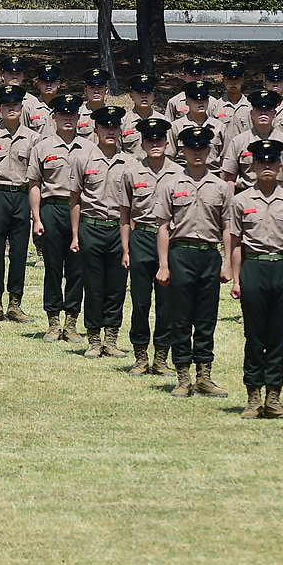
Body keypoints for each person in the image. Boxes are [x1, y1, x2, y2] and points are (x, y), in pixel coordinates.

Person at [154, 125, 233, 396]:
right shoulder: (170, 184)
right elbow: (163, 226)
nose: (197, 152)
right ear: (183, 151)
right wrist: (163, 265)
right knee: (181, 316)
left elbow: (227, 227)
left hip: (209, 255)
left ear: (210, 150)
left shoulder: (221, 187)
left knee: (206, 317)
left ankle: (204, 375)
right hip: (180, 254)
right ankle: (182, 376)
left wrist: (229, 263)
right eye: (191, 147)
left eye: (202, 148)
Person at [229, 138, 283, 418]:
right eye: (262, 162)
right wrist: (236, 279)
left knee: (278, 336)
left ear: (280, 165)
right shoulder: (241, 200)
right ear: (253, 166)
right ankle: (253, 395)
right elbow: (236, 243)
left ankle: (274, 396)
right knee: (254, 334)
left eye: (272, 162)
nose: (267, 167)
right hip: (254, 268)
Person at [28, 92, 87, 343]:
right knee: (52, 268)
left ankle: (71, 321)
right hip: (52, 209)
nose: (67, 118)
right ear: (53, 117)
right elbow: (34, 184)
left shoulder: (89, 148)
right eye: (62, 114)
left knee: (76, 269)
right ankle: (53, 321)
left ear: (78, 117)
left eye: (72, 114)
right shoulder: (42, 147)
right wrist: (37, 218)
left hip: (81, 212)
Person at [120, 117, 178, 372]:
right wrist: (125, 248)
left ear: (167, 143)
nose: (155, 144)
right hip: (141, 238)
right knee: (140, 301)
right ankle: (141, 355)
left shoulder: (179, 173)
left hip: (170, 240)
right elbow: (124, 214)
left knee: (167, 303)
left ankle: (162, 357)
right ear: (142, 145)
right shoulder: (132, 172)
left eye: (159, 140)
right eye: (149, 140)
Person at [73, 106, 130, 358]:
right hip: (91, 227)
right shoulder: (82, 159)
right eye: (105, 127)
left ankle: (112, 338)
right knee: (93, 285)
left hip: (119, 230)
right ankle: (94, 339)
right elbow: (74, 200)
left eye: (114, 127)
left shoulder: (130, 163)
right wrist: (75, 235)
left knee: (117, 286)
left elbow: (134, 205)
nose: (110, 131)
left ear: (120, 130)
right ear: (95, 130)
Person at [0, 85, 39, 323]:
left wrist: (36, 209)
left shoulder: (34, 139)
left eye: (15, 105)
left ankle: (16, 303)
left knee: (19, 251)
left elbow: (36, 178)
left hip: (23, 196)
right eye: (6, 106)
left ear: (22, 108)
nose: (11, 109)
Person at [221, 88, 283, 191]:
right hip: (246, 198)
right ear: (251, 113)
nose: (263, 113)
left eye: (268, 109)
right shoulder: (238, 142)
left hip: (279, 198)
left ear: (275, 114)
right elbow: (229, 178)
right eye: (258, 109)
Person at [166, 80, 226, 168]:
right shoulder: (176, 127)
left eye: (204, 99)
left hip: (213, 175)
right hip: (183, 176)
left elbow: (226, 160)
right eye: (195, 99)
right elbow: (169, 158)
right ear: (187, 102)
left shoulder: (219, 127)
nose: (200, 102)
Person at [213, 60, 253, 138]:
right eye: (229, 79)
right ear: (223, 81)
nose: (233, 83)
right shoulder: (215, 107)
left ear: (242, 81)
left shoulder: (251, 106)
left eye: (236, 79)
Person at [120, 74, 159, 152]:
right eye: (139, 92)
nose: (144, 96)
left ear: (153, 96)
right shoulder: (122, 123)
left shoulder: (163, 122)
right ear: (131, 96)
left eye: (148, 92)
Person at [164, 59, 207, 123]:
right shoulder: (174, 102)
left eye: (199, 74)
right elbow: (168, 127)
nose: (196, 78)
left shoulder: (213, 102)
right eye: (192, 75)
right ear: (184, 77)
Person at [77, 68, 111, 137]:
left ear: (106, 90)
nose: (96, 91)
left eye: (100, 87)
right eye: (92, 87)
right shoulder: (77, 116)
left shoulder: (112, 116)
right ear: (85, 90)